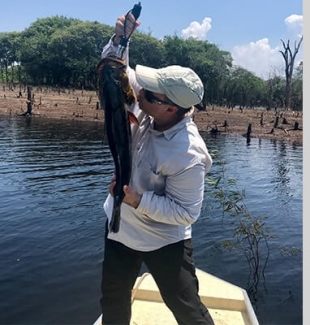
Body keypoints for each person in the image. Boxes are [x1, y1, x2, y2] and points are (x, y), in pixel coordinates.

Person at [99, 12, 215, 325]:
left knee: (186, 307)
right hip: (120, 229)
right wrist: (120, 39)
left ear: (170, 109)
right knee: (113, 301)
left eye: (149, 91)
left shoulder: (187, 154)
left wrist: (138, 199)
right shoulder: (145, 102)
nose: (138, 90)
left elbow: (185, 213)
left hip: (163, 239)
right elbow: (115, 71)